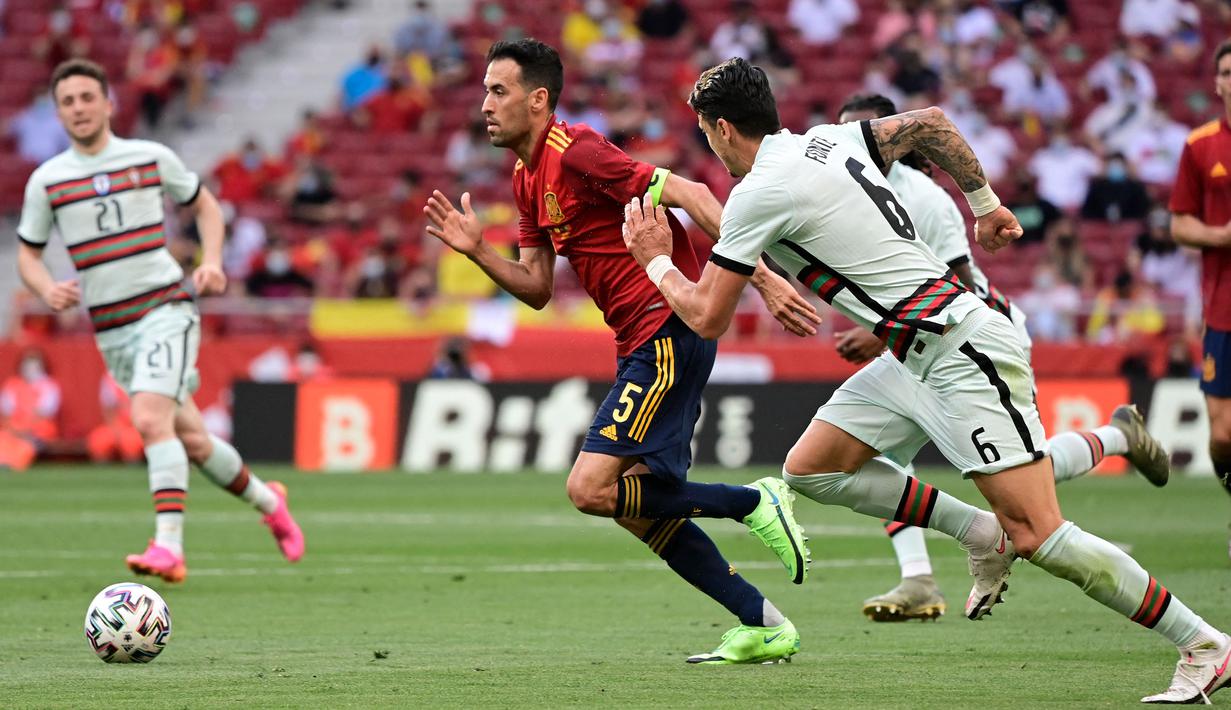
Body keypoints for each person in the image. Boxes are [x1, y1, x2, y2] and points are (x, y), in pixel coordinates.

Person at [622, 57, 1230, 703]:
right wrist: (985, 204)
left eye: (705, 134)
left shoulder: (758, 192)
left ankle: (1201, 643)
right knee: (813, 467)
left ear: (720, 130)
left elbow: (707, 315)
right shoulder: (830, 140)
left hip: (958, 348)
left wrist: (656, 260)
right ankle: (979, 532)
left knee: (1039, 533)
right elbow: (932, 125)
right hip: (913, 353)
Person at [424, 39, 815, 665]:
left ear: (539, 98)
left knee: (589, 489)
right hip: (642, 340)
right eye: (485, 91)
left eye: (498, 91)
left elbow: (690, 195)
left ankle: (752, 501)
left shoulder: (574, 149)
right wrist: (477, 252)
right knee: (636, 505)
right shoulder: (527, 177)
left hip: (667, 329)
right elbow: (537, 288)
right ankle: (762, 623)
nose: (485, 105)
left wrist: (764, 280)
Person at [834, 94, 1168, 623]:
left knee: (1020, 482)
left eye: (863, 134)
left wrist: (878, 337)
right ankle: (920, 577)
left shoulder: (926, 200)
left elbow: (960, 286)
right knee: (882, 461)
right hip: (922, 345)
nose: (848, 148)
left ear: (892, 138)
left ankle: (1117, 439)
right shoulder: (851, 192)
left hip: (978, 341)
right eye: (841, 134)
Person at [15, 59, 305, 583]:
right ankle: (271, 503)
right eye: (68, 101)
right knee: (190, 441)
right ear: (59, 113)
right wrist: (45, 288)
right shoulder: (48, 182)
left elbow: (207, 207)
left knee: (149, 420)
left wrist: (211, 261)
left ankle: (168, 547)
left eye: (87, 97)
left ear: (109, 103)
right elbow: (28, 256)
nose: (78, 108)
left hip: (165, 307)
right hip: (112, 329)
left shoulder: (149, 158)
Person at [1169, 39, 1231, 560]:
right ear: (1217, 82)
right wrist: (1222, 236)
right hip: (1223, 309)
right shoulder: (1201, 145)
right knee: (1225, 435)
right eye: (1228, 72)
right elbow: (1179, 223)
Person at [0, 348, 62, 471]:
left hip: (38, 432)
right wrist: (15, 429)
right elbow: (6, 413)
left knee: (26, 446)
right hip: (14, 430)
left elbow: (44, 413)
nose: (30, 369)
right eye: (27, 365)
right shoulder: (11, 385)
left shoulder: (49, 386)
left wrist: (26, 429)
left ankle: (13, 465)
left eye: (34, 366)